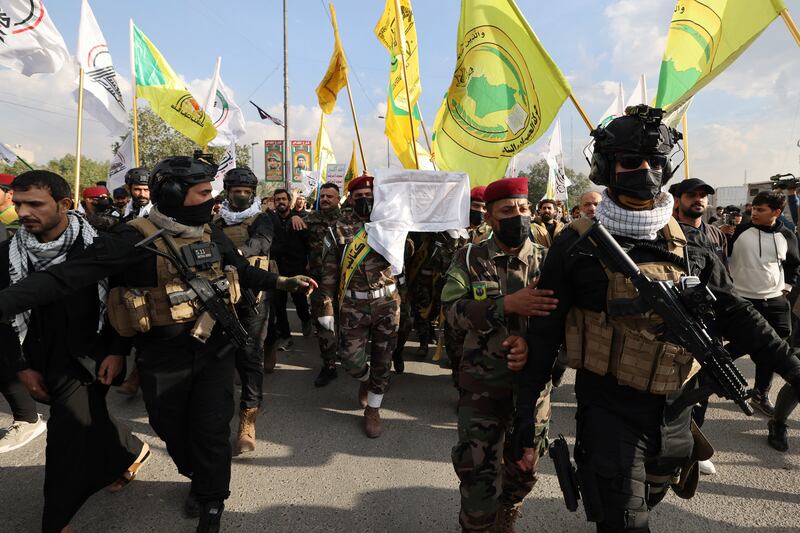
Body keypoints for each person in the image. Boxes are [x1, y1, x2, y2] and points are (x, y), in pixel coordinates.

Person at [512, 105, 800, 533]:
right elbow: (545, 336)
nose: (644, 171)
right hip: (609, 411)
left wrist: (793, 368)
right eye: (631, 161)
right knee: (626, 523)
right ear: (608, 167)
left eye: (656, 162)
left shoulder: (692, 246)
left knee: (653, 498)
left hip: (676, 413)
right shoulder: (576, 246)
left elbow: (737, 314)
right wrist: (524, 430)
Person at [0, 154, 316, 533]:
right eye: (203, 192)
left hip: (215, 350)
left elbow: (244, 271)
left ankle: (212, 500)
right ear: (173, 193)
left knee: (213, 428)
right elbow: (62, 280)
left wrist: (284, 282)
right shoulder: (130, 238)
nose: (211, 200)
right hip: (161, 358)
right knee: (169, 428)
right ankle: (197, 473)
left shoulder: (209, 231)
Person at [0, 170, 149, 532]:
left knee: (66, 438)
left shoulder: (99, 246)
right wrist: (21, 368)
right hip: (34, 355)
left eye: (34, 204)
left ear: (64, 205)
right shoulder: (7, 252)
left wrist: (116, 352)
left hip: (87, 357)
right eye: (18, 203)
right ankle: (130, 451)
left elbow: (122, 301)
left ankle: (56, 520)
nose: (23, 212)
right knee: (88, 418)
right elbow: (3, 317)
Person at [442, 176, 557, 532]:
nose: (518, 216)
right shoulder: (469, 258)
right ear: (489, 218)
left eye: (523, 208)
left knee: (524, 469)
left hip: (533, 391)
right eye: (507, 210)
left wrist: (532, 347)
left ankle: (510, 507)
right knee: (478, 479)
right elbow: (452, 310)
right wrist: (505, 305)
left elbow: (566, 323)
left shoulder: (547, 261)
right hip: (482, 388)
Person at [319, 175, 401, 438]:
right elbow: (329, 273)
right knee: (351, 360)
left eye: (370, 195)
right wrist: (327, 307)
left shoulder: (391, 225)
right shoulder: (337, 229)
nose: (365, 200)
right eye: (359, 197)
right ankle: (365, 381)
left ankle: (374, 410)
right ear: (350, 200)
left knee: (383, 359)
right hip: (352, 304)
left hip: (386, 303)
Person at [728, 190, 800, 451]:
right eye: (753, 209)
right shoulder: (740, 231)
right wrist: (726, 233)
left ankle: (760, 393)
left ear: (776, 213)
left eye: (760, 210)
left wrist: (788, 288)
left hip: (776, 300)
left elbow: (793, 264)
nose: (754, 213)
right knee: (736, 347)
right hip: (743, 300)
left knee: (775, 350)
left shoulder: (786, 235)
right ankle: (701, 386)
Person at [212, 167, 274, 454]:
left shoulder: (262, 218)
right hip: (220, 296)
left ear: (253, 194)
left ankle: (247, 422)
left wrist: (236, 255)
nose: (240, 197)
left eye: (245, 192)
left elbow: (261, 243)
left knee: (250, 357)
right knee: (217, 356)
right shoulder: (214, 220)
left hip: (252, 296)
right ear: (227, 192)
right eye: (235, 192)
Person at [303, 183, 343, 387]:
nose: (325, 199)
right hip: (320, 283)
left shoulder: (348, 220)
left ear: (339, 199)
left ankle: (349, 356)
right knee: (325, 323)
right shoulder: (310, 219)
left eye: (330, 196)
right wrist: (293, 216)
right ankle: (329, 366)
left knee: (347, 323)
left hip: (347, 282)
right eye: (323, 196)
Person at [266, 188, 312, 351]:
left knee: (300, 302)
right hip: (276, 270)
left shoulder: (298, 219)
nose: (280, 202)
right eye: (277, 199)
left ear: (288, 201)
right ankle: (286, 336)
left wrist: (308, 263)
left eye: (283, 199)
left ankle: (306, 319)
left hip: (296, 268)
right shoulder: (269, 220)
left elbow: (308, 244)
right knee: (279, 305)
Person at [673, 178, 728, 268]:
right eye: (691, 195)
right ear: (677, 201)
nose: (698, 199)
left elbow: (725, 271)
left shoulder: (717, 234)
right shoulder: (668, 234)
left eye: (703, 195)